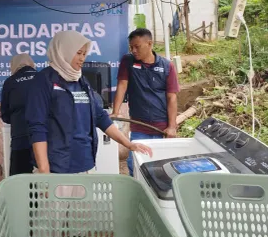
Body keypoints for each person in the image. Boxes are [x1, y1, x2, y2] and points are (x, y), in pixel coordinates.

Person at [26, 30, 152, 174]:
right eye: (78, 53)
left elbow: (100, 117)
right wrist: (44, 169)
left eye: (84, 54)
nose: (82, 59)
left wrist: (129, 144)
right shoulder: (43, 81)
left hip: (85, 164)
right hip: (56, 168)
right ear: (63, 51)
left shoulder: (81, 81)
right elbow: (37, 127)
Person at [112, 28, 180, 177]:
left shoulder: (167, 66)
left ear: (150, 44)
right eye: (131, 47)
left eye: (137, 46)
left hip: (161, 127)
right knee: (135, 164)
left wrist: (172, 127)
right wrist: (115, 112)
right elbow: (122, 85)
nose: (134, 50)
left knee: (158, 166)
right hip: (139, 126)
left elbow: (172, 98)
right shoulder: (128, 61)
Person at [0, 54, 37, 175]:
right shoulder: (42, 78)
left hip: (20, 138)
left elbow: (5, 114)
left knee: (19, 179)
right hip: (43, 139)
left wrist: (17, 119)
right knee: (43, 181)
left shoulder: (10, 82)